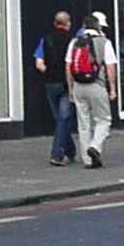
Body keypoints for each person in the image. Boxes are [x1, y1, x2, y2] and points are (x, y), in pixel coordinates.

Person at [70, 11, 115, 167]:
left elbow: (68, 66)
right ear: (98, 26)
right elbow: (110, 67)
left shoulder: (74, 42)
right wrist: (113, 88)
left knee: (83, 125)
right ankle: (95, 147)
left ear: (83, 26)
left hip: (78, 86)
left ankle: (88, 161)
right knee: (103, 120)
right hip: (96, 85)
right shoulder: (104, 42)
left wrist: (71, 89)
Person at [35, 10, 77, 165]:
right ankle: (57, 154)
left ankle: (71, 151)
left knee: (60, 119)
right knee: (64, 119)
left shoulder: (46, 39)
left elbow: (39, 63)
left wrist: (50, 72)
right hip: (66, 84)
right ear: (68, 23)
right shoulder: (73, 40)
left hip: (50, 83)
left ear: (55, 23)